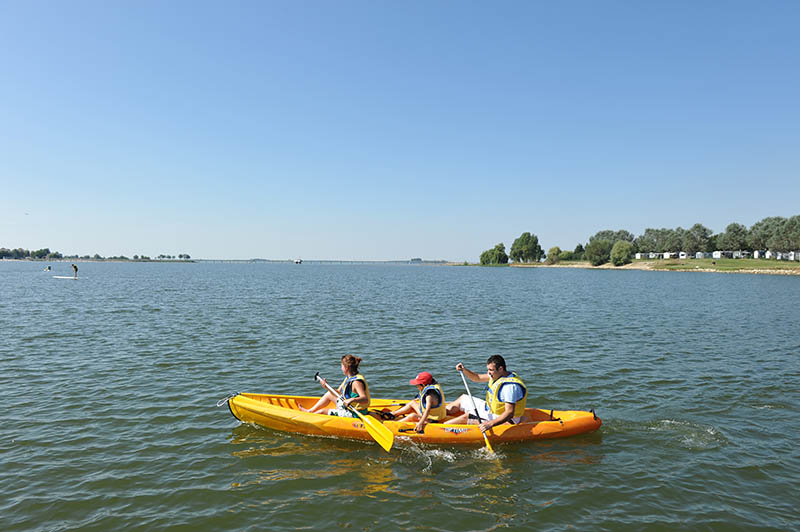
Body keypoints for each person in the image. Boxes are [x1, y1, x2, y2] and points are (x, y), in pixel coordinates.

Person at [445, 355, 527, 432]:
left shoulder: (510, 387)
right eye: (488, 369)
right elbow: (477, 378)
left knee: (468, 416)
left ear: (501, 369)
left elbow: (509, 413)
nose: (488, 372)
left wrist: (490, 424)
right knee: (463, 399)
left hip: (506, 420)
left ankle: (443, 427)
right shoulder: (498, 375)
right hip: (490, 409)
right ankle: (439, 414)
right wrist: (464, 370)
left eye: (491, 370)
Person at [299, 354, 370, 417]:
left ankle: (308, 419)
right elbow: (338, 392)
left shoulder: (356, 382)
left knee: (323, 412)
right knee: (329, 394)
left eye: (341, 366)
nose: (341, 368)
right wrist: (326, 387)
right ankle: (310, 411)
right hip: (348, 406)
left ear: (346, 368)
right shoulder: (349, 378)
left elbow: (365, 399)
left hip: (355, 412)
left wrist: (351, 400)